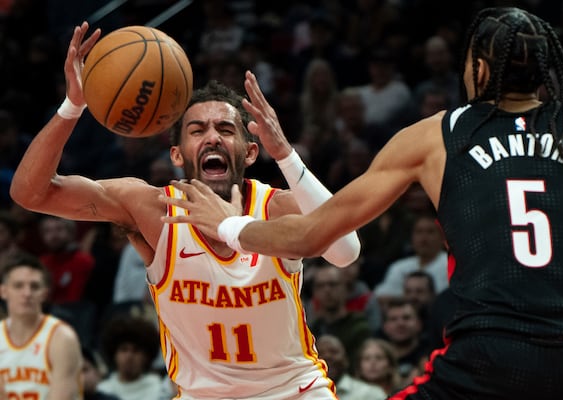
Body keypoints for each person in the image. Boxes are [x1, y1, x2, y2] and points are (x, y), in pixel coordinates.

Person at [178, 7, 563, 399]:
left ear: (479, 69)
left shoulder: (439, 135)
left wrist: (228, 225)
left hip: (489, 355)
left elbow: (313, 235)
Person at [9, 21, 360, 399]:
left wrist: (287, 155)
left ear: (251, 151)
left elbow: (346, 252)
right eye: (197, 130)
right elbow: (31, 193)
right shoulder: (151, 210)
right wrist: (73, 104)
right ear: (176, 154)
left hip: (294, 391)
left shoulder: (278, 208)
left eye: (226, 129)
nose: (212, 136)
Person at [0, 252, 83, 400]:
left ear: (44, 294)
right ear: (3, 291)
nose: (27, 293)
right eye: (18, 286)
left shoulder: (62, 337)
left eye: (34, 286)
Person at [315, 334, 387, 400]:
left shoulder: (371, 394)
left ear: (346, 359)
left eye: (334, 352)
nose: (327, 357)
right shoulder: (305, 394)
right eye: (320, 353)